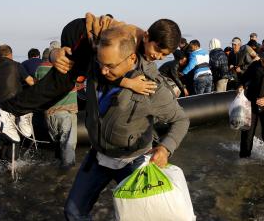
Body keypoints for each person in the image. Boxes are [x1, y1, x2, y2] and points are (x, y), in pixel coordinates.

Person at [64, 26, 189, 220]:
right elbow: (80, 28)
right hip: (98, 155)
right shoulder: (99, 64)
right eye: (100, 62)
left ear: (131, 59)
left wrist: (165, 148)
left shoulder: (151, 86)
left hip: (133, 161)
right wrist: (57, 53)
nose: (103, 70)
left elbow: (181, 120)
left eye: (110, 66)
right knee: (73, 211)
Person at [0, 14, 179, 142]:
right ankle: (5, 110)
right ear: (146, 37)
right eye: (157, 51)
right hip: (79, 33)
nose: (159, 57)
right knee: (61, 81)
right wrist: (130, 83)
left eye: (164, 55)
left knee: (64, 88)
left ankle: (22, 111)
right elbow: (103, 71)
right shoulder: (126, 41)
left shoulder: (141, 48)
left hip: (92, 42)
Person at [0, 44, 35, 160]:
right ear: (10, 55)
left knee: (5, 133)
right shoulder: (16, 65)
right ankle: (12, 166)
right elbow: (31, 82)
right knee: (15, 138)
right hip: (13, 106)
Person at [35, 48, 78, 169]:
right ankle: (65, 176)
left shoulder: (40, 69)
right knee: (68, 144)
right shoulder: (68, 69)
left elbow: (36, 87)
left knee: (58, 143)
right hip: (66, 114)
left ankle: (57, 168)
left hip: (49, 114)